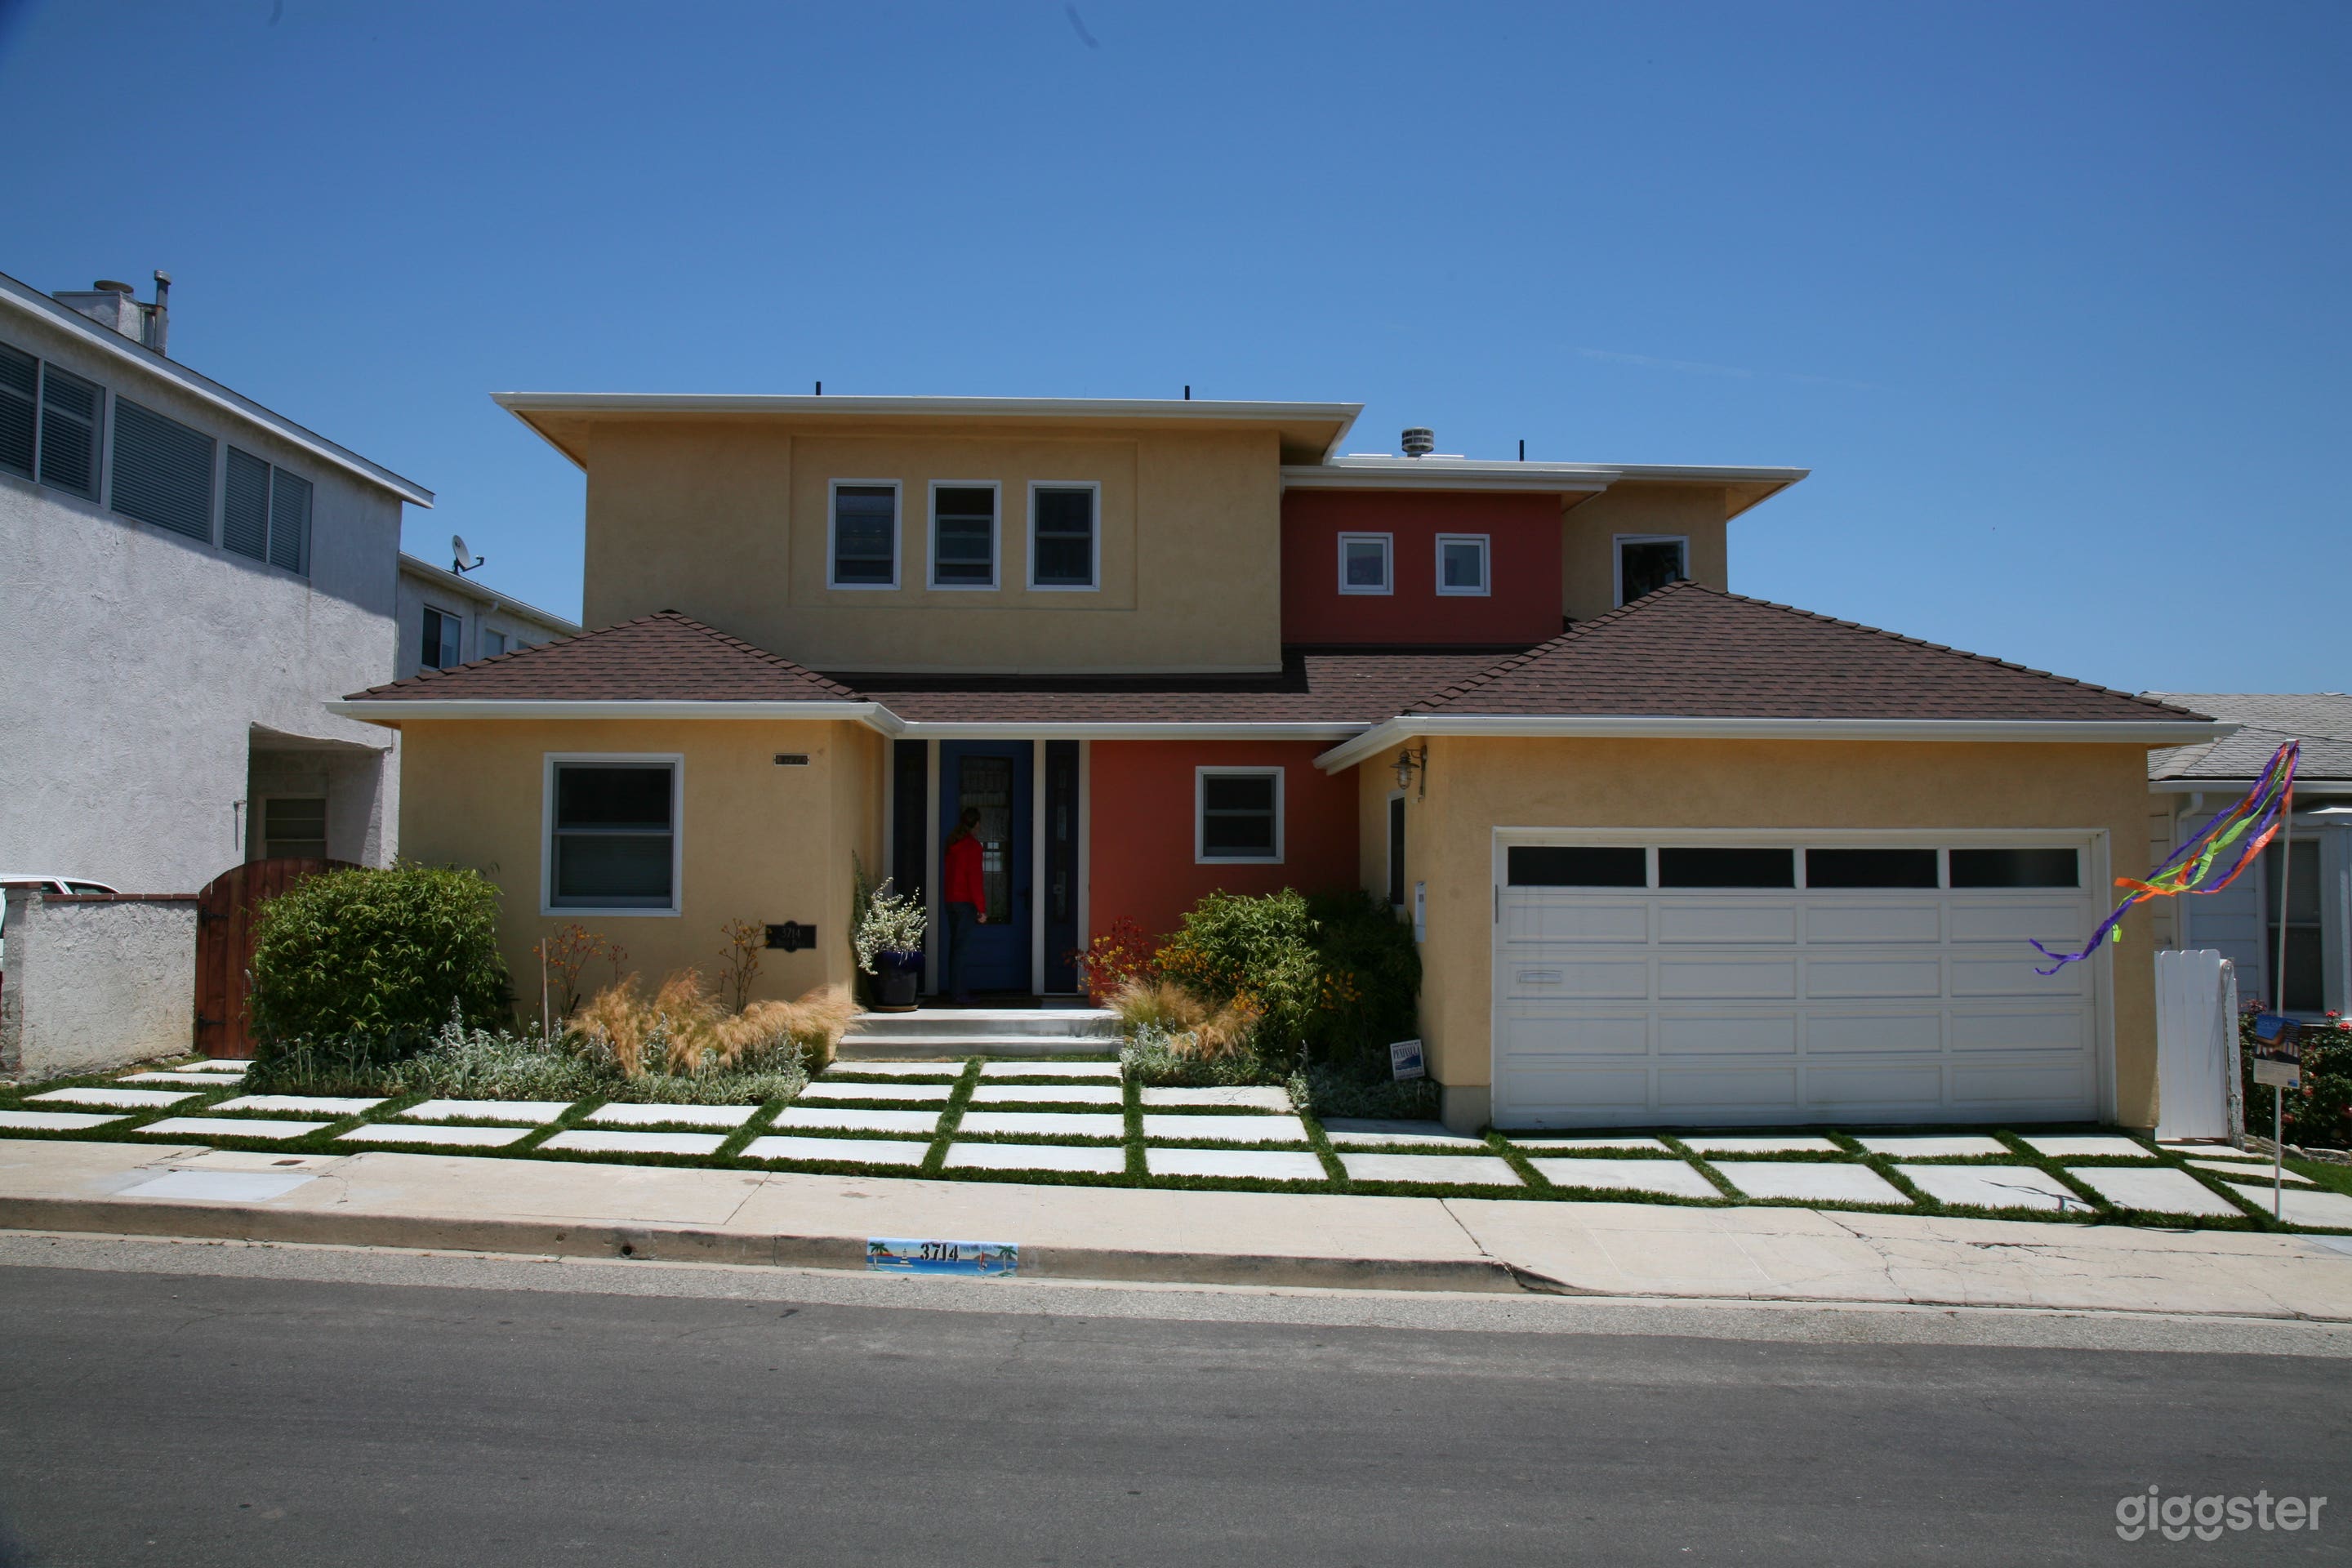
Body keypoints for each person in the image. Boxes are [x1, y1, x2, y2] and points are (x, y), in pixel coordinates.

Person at [942, 807, 986, 1004]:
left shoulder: (953, 844)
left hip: (951, 901)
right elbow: (974, 880)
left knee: (955, 948)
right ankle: (959, 993)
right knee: (961, 949)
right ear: (976, 824)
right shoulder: (972, 847)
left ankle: (955, 990)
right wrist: (981, 909)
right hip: (965, 903)